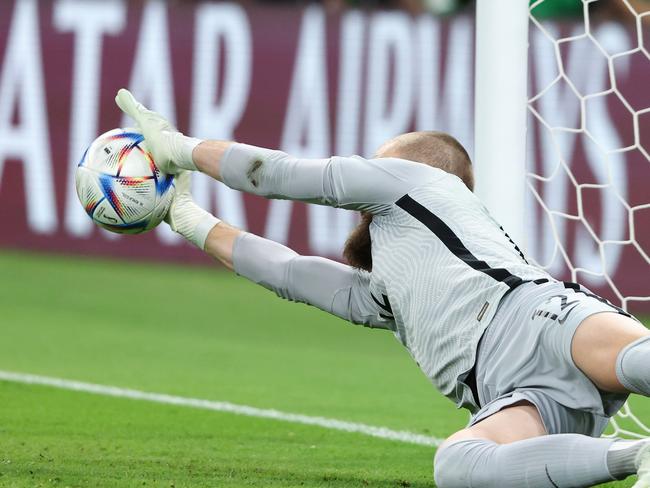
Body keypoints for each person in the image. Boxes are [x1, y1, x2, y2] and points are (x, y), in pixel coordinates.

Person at [115, 88, 650, 487]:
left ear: (412, 166)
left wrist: (179, 148)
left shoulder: (418, 181)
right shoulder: (388, 295)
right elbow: (290, 273)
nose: (366, 168)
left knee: (636, 361)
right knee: (456, 466)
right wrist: (186, 219)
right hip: (517, 396)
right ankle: (638, 459)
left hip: (538, 318)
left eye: (378, 159)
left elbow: (274, 174)